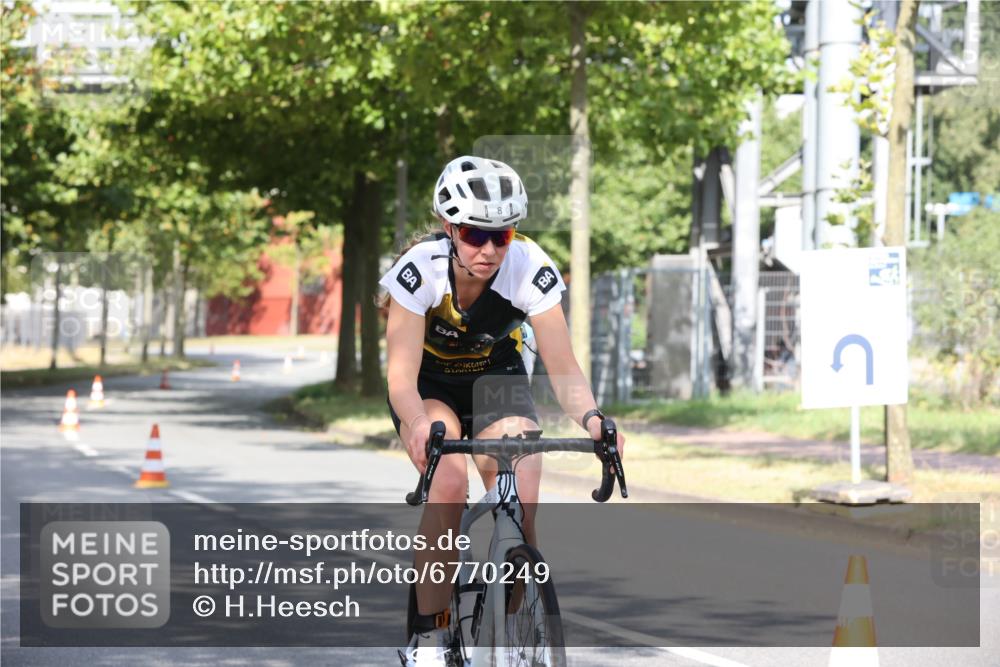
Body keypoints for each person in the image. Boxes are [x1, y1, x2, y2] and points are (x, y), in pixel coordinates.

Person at [379, 155, 625, 667]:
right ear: (450, 228)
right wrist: (420, 425)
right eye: (474, 235)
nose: (489, 249)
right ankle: (430, 636)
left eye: (502, 236)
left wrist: (595, 420)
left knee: (522, 486)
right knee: (447, 481)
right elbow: (400, 376)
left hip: (496, 379)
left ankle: (517, 631)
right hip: (429, 384)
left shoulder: (530, 266)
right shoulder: (418, 269)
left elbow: (563, 369)